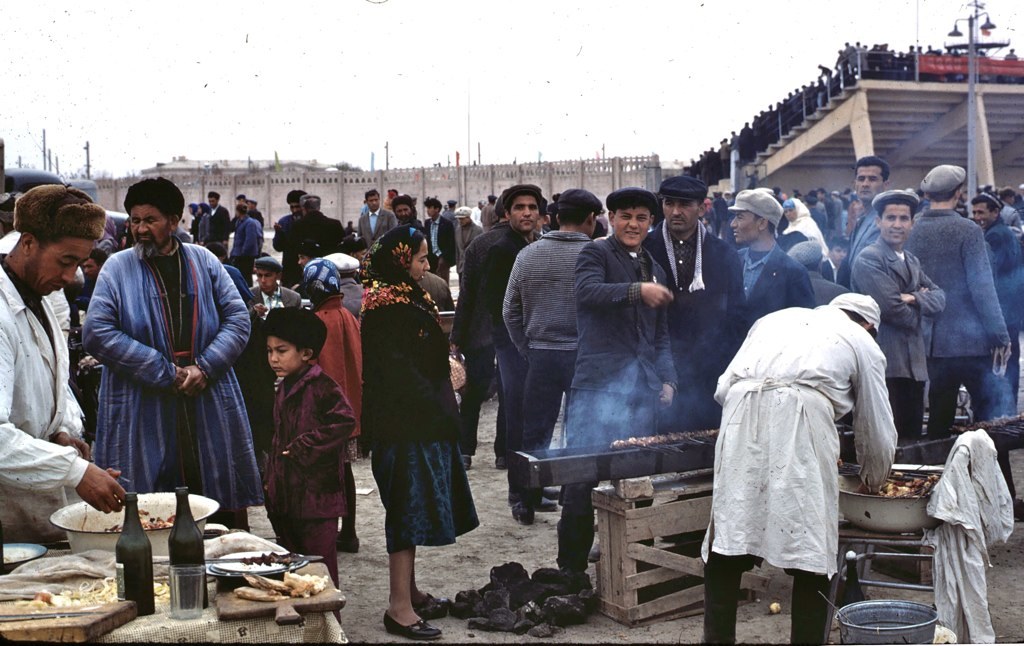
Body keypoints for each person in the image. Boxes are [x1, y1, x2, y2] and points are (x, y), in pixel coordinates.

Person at [702, 294, 897, 645]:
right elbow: (875, 424)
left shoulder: (775, 317)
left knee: (731, 535)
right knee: (810, 548)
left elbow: (721, 388)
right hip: (800, 418)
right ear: (869, 325)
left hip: (739, 416)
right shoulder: (862, 342)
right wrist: (875, 478)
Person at [84, 177, 263, 529]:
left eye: (149, 220)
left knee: (212, 497)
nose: (140, 229)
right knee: (145, 501)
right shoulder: (117, 268)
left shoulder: (205, 261)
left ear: (174, 220)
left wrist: (206, 367)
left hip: (205, 393)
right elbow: (97, 332)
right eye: (135, 221)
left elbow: (238, 317)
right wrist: (164, 371)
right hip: (142, 398)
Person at [361, 226, 479, 640]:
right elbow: (397, 376)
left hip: (421, 421)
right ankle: (399, 608)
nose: (426, 266)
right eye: (420, 258)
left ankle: (409, 591)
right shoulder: (385, 310)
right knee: (406, 514)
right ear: (399, 260)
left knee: (412, 510)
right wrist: (441, 387)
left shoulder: (403, 296)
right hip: (405, 426)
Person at [557, 187, 677, 573]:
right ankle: (570, 572)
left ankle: (634, 567)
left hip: (640, 391)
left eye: (642, 218)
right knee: (580, 481)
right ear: (610, 218)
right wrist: (637, 291)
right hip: (596, 387)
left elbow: (660, 334)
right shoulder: (595, 253)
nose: (633, 224)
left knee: (639, 481)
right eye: (625, 216)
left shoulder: (652, 264)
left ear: (651, 223)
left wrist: (667, 378)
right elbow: (587, 292)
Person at [0, 185, 126, 542]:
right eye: (65, 261)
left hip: (35, 516)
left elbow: (49, 380)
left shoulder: (39, 295)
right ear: (27, 244)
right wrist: (75, 471)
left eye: (78, 263)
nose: (70, 278)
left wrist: (61, 430)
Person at [503, 188, 598, 523]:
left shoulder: (528, 255)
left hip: (540, 357)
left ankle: (524, 502)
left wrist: (525, 347)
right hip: (583, 358)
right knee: (580, 430)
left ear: (556, 217)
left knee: (534, 433)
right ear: (592, 219)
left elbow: (509, 311)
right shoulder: (597, 255)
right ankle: (573, 500)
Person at [905, 165, 1012, 437]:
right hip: (971, 343)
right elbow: (982, 288)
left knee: (939, 419)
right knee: (987, 421)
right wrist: (1000, 335)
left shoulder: (912, 229)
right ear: (959, 192)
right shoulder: (968, 230)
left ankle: (939, 475)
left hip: (931, 343)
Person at [643, 175, 744, 432]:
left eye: (685, 204)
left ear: (702, 207)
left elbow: (736, 315)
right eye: (669, 203)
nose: (675, 211)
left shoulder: (724, 254)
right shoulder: (646, 249)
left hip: (710, 368)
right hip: (658, 369)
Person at [263, 306, 355, 587]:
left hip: (318, 501)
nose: (274, 358)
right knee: (294, 572)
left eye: (282, 350)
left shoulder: (322, 386)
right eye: (269, 351)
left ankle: (331, 628)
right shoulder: (282, 388)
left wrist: (306, 445)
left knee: (320, 572)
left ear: (306, 353)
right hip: (286, 499)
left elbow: (345, 420)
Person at [852, 190, 945, 443]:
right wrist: (922, 306)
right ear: (878, 222)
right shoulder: (870, 258)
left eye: (904, 219)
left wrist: (913, 297)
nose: (897, 224)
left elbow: (941, 298)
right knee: (888, 443)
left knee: (911, 439)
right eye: (890, 218)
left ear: (912, 224)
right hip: (886, 363)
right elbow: (894, 310)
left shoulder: (911, 260)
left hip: (914, 365)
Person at [483, 184, 542, 524]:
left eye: (532, 207)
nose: (526, 213)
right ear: (507, 214)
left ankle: (534, 489)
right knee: (517, 420)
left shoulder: (534, 245)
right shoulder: (503, 249)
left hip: (533, 347)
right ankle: (519, 495)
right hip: (512, 346)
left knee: (536, 418)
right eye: (519, 207)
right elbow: (496, 305)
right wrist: (515, 343)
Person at [303, 258, 364, 553]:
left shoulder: (315, 323)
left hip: (323, 414)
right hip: (350, 410)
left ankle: (326, 533)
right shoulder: (349, 317)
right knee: (346, 470)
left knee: (323, 474)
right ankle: (349, 532)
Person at [450, 201, 509, 470]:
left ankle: (465, 450)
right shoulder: (526, 245)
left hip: (479, 332)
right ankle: (503, 452)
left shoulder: (478, 244)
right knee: (508, 392)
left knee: (473, 393)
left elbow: (466, 295)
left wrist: (458, 334)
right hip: (510, 331)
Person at [729, 189, 815, 333]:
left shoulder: (793, 272)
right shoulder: (733, 261)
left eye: (740, 217)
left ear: (762, 223)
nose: (733, 224)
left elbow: (803, 329)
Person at [838, 156, 891, 287]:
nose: (865, 184)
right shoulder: (862, 220)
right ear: (855, 184)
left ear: (885, 185)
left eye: (872, 179)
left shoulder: (886, 221)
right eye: (861, 179)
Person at [788, 240, 849, 306]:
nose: (842, 255)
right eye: (838, 251)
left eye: (844, 251)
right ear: (820, 263)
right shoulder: (841, 294)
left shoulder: (784, 292)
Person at [273, 189, 307, 288]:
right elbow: (278, 247)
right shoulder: (284, 222)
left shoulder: (308, 221)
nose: (294, 210)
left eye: (297, 207)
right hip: (289, 268)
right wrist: (279, 233)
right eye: (292, 207)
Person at [423, 197, 456, 282]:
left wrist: (444, 257)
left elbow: (451, 243)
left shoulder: (447, 224)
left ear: (437, 209)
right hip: (430, 257)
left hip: (443, 257)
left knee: (443, 282)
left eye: (430, 208)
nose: (428, 210)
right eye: (427, 208)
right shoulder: (427, 223)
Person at [229, 203, 262, 286]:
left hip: (245, 255)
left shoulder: (249, 223)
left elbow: (250, 240)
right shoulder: (239, 222)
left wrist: (243, 252)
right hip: (238, 253)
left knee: (246, 277)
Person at [453, 206, 483, 285]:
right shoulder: (457, 230)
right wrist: (458, 266)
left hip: (474, 268)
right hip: (461, 268)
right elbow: (457, 250)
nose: (460, 221)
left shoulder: (478, 230)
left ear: (468, 217)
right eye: (459, 219)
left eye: (462, 219)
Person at [74, 247, 109, 313]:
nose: (86, 271)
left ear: (101, 266)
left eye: (89, 267)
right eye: (84, 267)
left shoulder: (111, 284)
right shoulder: (85, 280)